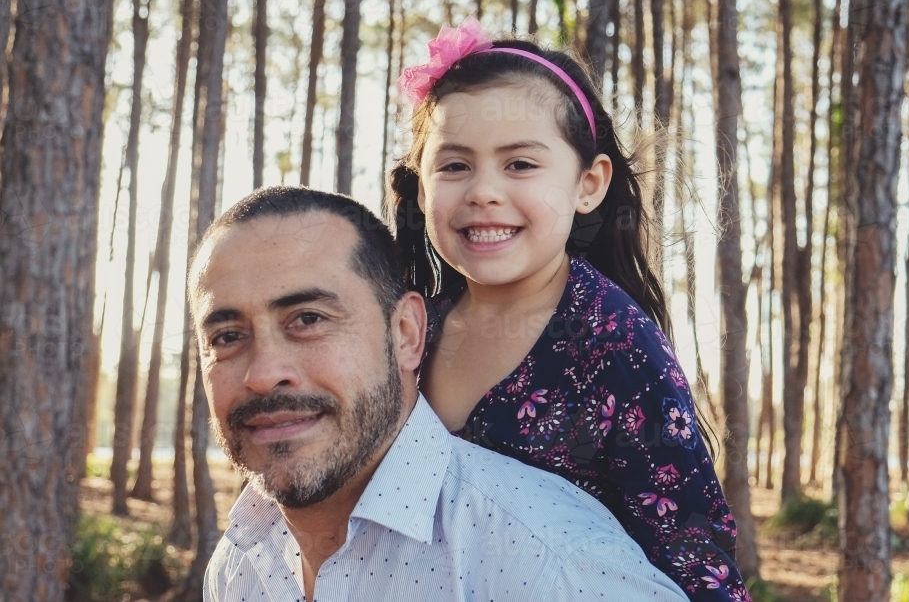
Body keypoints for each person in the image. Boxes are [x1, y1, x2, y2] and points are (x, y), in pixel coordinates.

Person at [389, 18, 749, 601]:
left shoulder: (618, 348)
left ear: (588, 184)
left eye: (520, 164)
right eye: (454, 166)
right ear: (423, 188)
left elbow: (695, 559)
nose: (483, 190)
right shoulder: (410, 331)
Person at [189, 186, 689, 602]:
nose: (263, 373)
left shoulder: (552, 564)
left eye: (309, 320)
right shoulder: (240, 564)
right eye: (227, 336)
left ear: (406, 333)